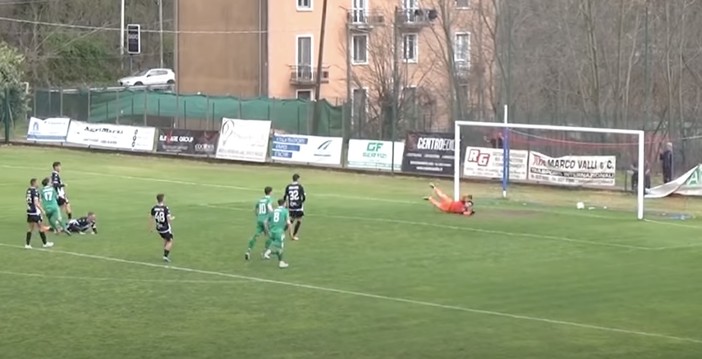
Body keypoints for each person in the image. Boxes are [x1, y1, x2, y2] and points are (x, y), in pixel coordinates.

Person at [245, 186, 274, 260]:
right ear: (270, 192)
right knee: (270, 236)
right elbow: (270, 209)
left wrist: (258, 216)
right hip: (266, 221)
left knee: (255, 236)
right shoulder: (269, 200)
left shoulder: (261, 200)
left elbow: (255, 209)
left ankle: (248, 251)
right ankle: (264, 252)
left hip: (259, 220)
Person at [263, 199, 292, 269]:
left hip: (272, 232)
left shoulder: (273, 211)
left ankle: (280, 261)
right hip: (279, 232)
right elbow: (288, 223)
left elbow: (265, 222)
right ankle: (268, 253)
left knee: (278, 248)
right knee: (280, 247)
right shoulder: (285, 211)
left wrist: (267, 231)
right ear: (284, 204)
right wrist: (290, 234)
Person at [25, 178, 54, 249]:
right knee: (41, 227)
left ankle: (27, 244)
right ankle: (45, 243)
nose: (38, 184)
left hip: (29, 211)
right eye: (37, 183)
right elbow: (36, 202)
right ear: (34, 183)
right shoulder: (35, 191)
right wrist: (42, 210)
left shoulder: (28, 190)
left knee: (30, 228)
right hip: (35, 212)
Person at [150, 193, 174, 262]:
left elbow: (151, 218)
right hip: (165, 228)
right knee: (170, 241)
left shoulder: (154, 208)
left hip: (159, 228)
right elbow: (168, 219)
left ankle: (165, 253)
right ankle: (165, 256)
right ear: (163, 199)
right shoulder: (165, 208)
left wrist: (151, 228)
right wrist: (171, 219)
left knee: (165, 239)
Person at [284, 173, 306, 240]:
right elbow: (303, 197)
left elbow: (285, 196)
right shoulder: (300, 186)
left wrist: (285, 204)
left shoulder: (288, 186)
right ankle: (294, 235)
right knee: (299, 220)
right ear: (298, 179)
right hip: (298, 205)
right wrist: (302, 202)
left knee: (291, 220)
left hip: (291, 205)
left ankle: (282, 231)